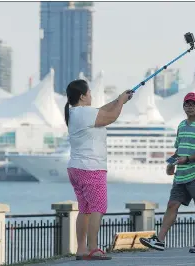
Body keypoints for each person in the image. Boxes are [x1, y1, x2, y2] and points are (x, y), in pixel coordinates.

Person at [64, 79, 133, 260]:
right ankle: (93, 248)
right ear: (82, 96)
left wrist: (119, 99)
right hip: (91, 168)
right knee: (98, 207)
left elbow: (103, 110)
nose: (91, 96)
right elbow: (111, 117)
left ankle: (81, 249)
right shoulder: (84, 113)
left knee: (85, 209)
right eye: (89, 93)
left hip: (76, 168)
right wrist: (121, 103)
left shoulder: (75, 113)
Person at [139, 92, 195, 253]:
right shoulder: (181, 125)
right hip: (182, 174)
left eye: (193, 104)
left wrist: (187, 159)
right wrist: (170, 163)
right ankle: (159, 240)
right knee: (172, 204)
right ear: (183, 106)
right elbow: (179, 150)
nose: (190, 106)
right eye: (187, 104)